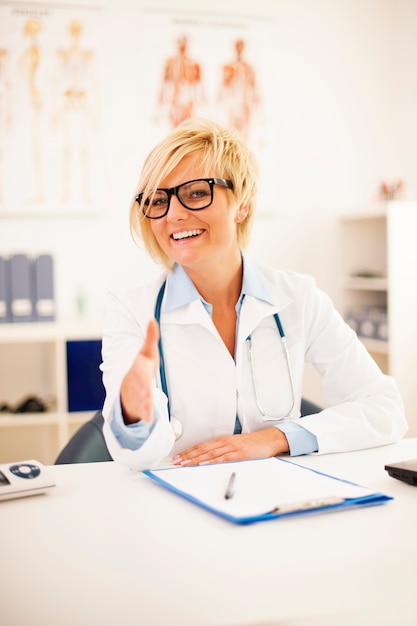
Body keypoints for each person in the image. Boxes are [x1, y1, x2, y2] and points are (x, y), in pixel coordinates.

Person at [101, 117, 407, 470]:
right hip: (178, 500)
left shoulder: (299, 297)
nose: (174, 214)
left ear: (242, 203)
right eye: (157, 200)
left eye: (197, 192)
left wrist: (276, 438)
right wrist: (133, 413)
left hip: (277, 500)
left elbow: (384, 409)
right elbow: (134, 456)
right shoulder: (130, 309)